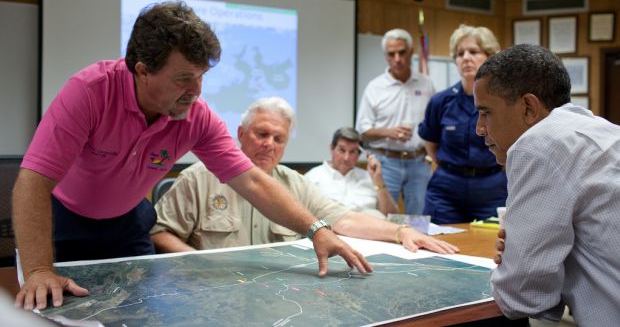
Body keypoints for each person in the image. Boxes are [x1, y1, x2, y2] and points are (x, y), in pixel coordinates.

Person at [12, 1, 371, 311]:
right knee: (56, 305)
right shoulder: (89, 93)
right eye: (184, 78)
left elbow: (252, 181)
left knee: (139, 310)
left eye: (202, 76)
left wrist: (315, 229)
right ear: (142, 70)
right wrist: (40, 270)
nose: (196, 91)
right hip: (64, 221)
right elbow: (33, 181)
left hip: (128, 223)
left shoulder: (196, 116)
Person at [151, 97, 458, 255]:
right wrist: (197, 261)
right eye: (261, 134)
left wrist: (400, 232)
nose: (269, 144)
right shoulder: (199, 178)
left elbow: (344, 219)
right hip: (214, 293)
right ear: (241, 134)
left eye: (279, 138)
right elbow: (159, 233)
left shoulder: (295, 184)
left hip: (280, 293)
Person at [474, 44, 620, 325]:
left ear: (528, 107)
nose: (479, 128)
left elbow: (522, 296)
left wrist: (516, 259)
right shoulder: (601, 131)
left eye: (486, 112)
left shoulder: (538, 145)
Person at [417, 25, 507, 224]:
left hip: (491, 187)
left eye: (473, 52)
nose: (466, 57)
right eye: (460, 53)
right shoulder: (441, 101)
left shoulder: (505, 100)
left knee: (490, 248)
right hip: (447, 188)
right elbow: (431, 143)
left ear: (490, 56)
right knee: (439, 245)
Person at [356, 28, 435, 216]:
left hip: (418, 161)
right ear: (385, 56)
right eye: (391, 54)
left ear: (411, 52)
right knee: (385, 218)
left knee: (419, 219)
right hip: (386, 161)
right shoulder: (375, 87)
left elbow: (434, 125)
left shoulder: (426, 84)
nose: (397, 59)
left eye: (402, 52)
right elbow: (362, 131)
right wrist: (388, 132)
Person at [304, 127, 399, 217]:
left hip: (366, 231)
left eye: (352, 152)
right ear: (332, 148)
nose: (346, 158)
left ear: (359, 155)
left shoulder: (371, 178)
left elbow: (392, 217)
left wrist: (378, 180)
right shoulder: (312, 177)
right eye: (342, 150)